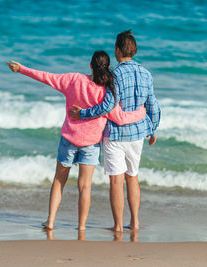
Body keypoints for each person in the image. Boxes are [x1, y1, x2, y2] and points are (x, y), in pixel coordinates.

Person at [7, 51, 146, 230]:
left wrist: (22, 69)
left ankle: (50, 221)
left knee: (59, 180)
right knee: (85, 187)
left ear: (90, 66)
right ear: (109, 68)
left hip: (69, 139)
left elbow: (47, 77)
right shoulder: (107, 91)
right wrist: (141, 113)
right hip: (91, 143)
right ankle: (81, 226)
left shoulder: (73, 80)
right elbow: (119, 118)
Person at [69, 30, 161, 232]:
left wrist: (83, 114)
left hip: (116, 134)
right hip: (137, 134)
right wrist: (153, 128)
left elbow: (108, 105)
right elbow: (152, 103)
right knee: (133, 177)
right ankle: (135, 222)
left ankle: (118, 226)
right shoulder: (147, 74)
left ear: (118, 51)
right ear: (134, 50)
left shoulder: (115, 75)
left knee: (116, 181)